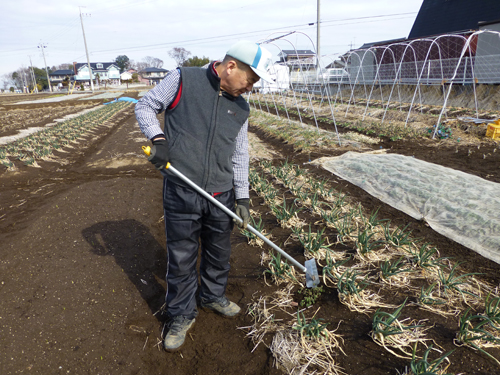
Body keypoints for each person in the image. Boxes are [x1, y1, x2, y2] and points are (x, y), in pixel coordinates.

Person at [135, 41, 274, 351]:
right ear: (232, 66)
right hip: (183, 188)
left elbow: (240, 152)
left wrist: (243, 198)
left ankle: (212, 295)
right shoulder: (183, 79)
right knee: (182, 258)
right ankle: (181, 315)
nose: (251, 88)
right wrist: (157, 138)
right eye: (251, 80)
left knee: (218, 252)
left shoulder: (241, 107)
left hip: (221, 192)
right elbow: (144, 105)